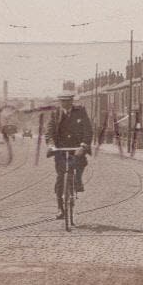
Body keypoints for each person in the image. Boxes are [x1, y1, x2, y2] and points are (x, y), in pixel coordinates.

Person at [45, 91, 93, 219]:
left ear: (72, 101)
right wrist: (51, 145)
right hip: (60, 148)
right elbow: (49, 131)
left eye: (67, 101)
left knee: (81, 163)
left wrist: (83, 145)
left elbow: (88, 130)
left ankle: (78, 180)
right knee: (61, 177)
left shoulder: (80, 112)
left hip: (77, 147)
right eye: (62, 101)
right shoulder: (55, 114)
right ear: (59, 102)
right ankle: (60, 209)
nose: (65, 103)